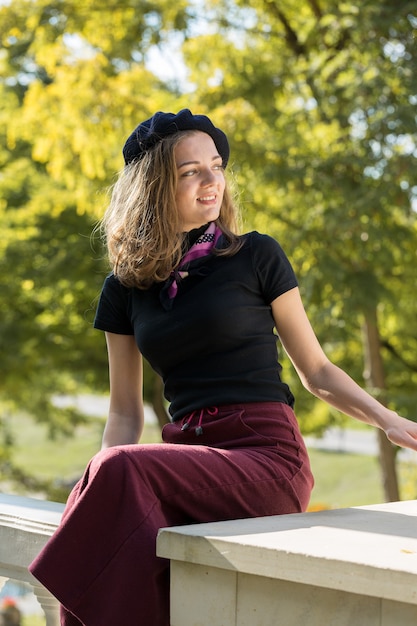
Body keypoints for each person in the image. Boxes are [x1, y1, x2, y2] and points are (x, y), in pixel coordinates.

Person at [29, 109, 417, 626]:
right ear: (154, 187)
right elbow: (124, 416)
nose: (212, 180)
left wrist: (388, 420)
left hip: (265, 457)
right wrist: (102, 495)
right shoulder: (124, 290)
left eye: (216, 165)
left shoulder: (256, 255)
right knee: (113, 483)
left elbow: (317, 371)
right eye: (191, 171)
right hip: (186, 461)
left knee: (116, 472)